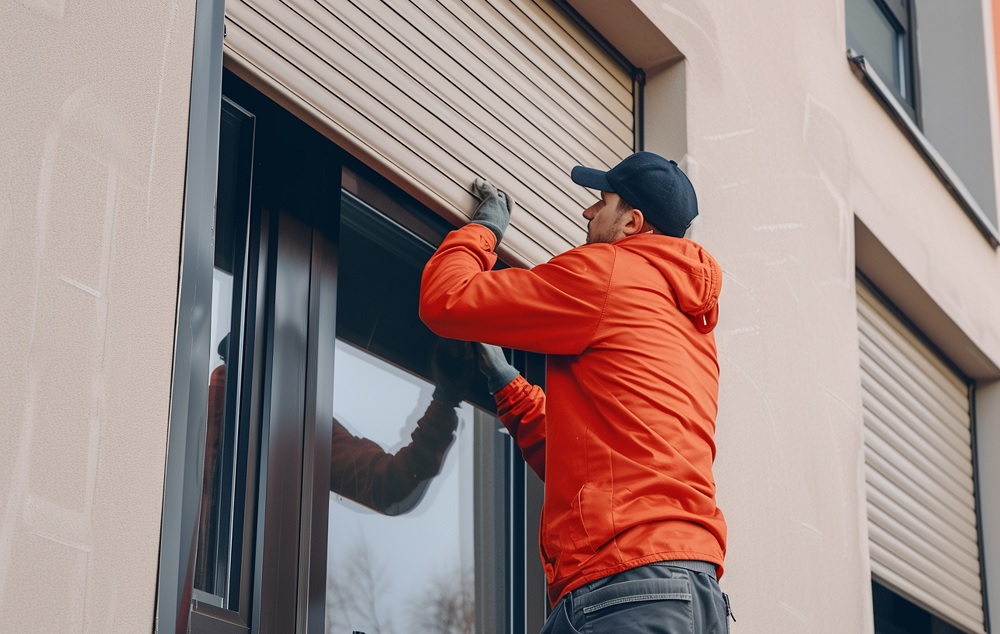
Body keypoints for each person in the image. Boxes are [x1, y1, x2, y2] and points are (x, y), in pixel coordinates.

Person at [419, 152, 732, 632]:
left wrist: (483, 231)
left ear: (632, 222)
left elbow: (447, 298)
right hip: (693, 593)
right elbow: (601, 449)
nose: (587, 213)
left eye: (600, 202)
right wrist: (509, 387)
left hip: (627, 586)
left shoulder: (606, 273)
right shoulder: (693, 329)